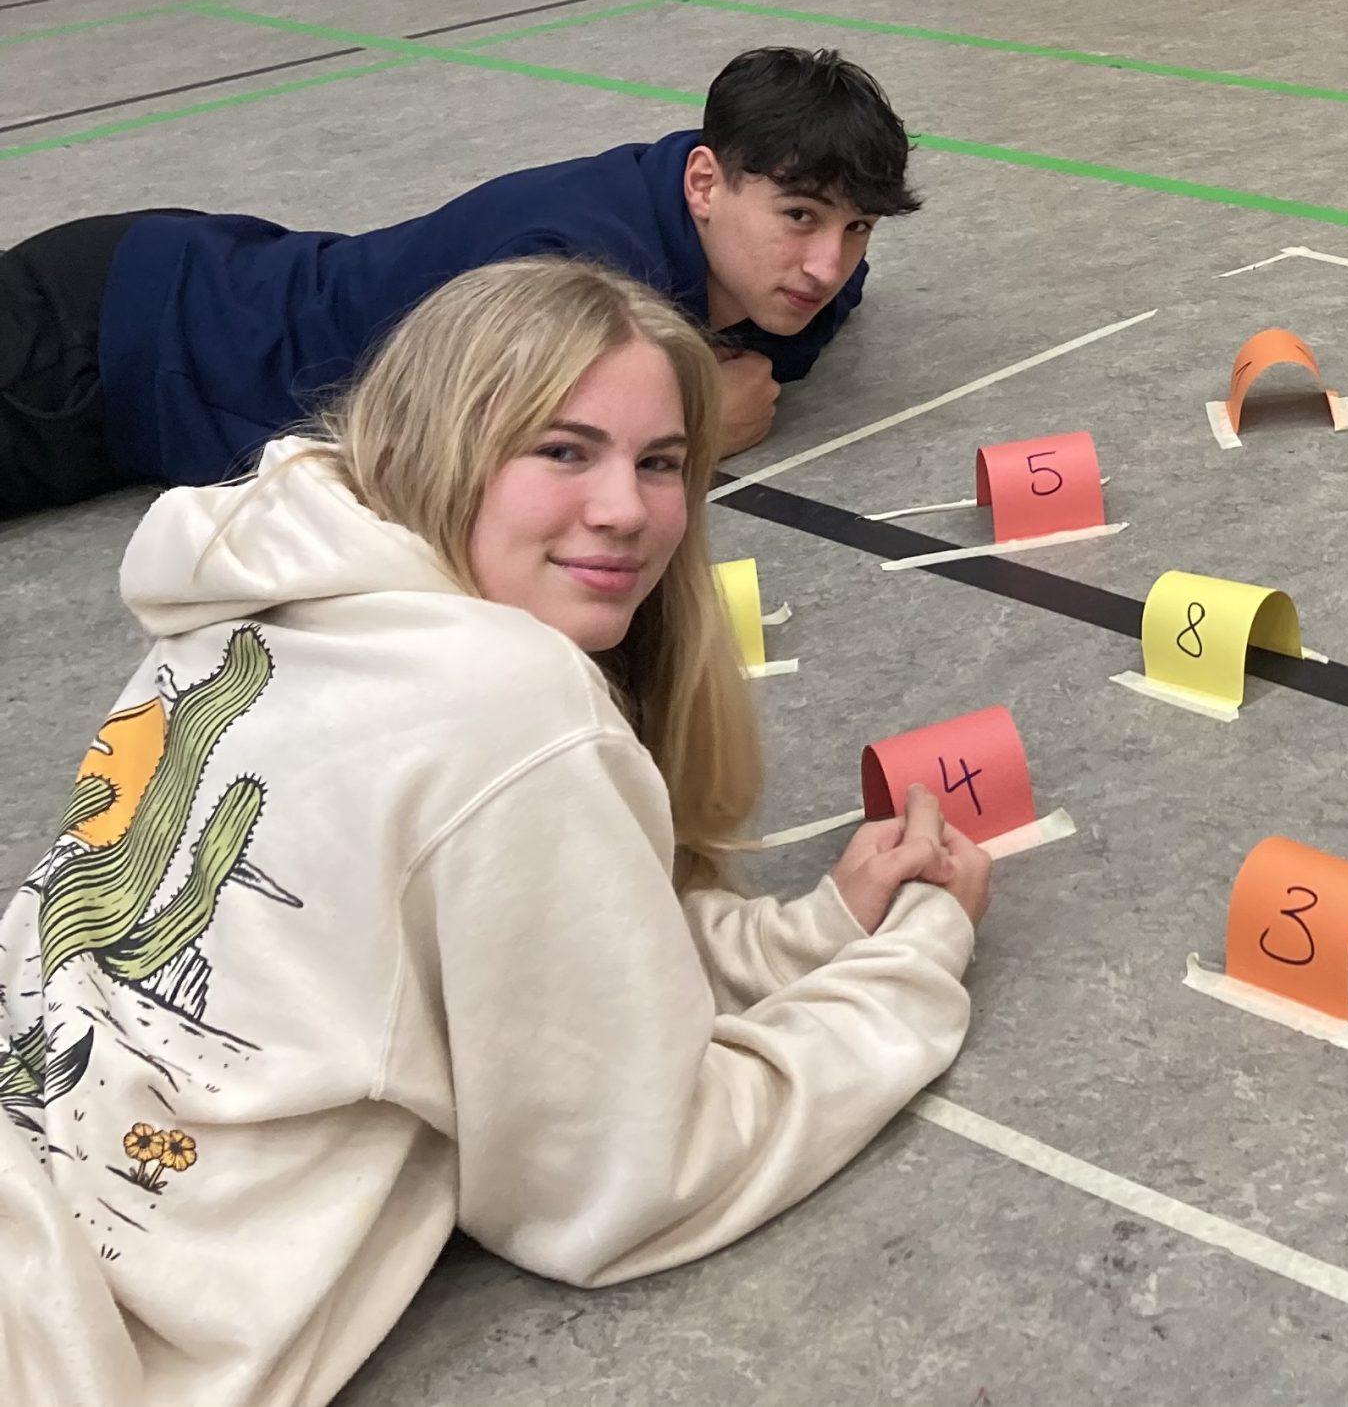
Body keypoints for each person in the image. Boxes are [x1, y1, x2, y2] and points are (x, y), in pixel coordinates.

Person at [0, 258, 990, 1406]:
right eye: (563, 450)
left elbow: (490, 955)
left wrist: (808, 935)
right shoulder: (509, 695)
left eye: (660, 462)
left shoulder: (255, 588)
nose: (626, 509)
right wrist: (911, 956)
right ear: (446, 447)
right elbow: (627, 1184)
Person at [0, 45, 917, 521]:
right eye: (801, 217)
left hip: (190, 295)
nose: (827, 266)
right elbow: (448, 473)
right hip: (108, 336)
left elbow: (835, 278)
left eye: (856, 228)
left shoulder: (782, 250)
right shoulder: (568, 275)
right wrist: (696, 421)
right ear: (705, 183)